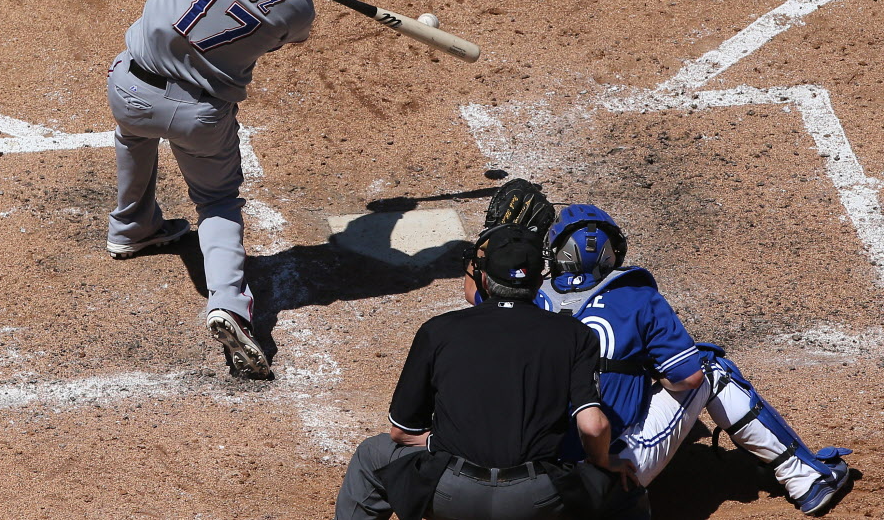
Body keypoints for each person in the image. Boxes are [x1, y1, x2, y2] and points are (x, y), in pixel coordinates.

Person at [463, 202, 853, 516]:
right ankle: (806, 478)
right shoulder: (636, 296)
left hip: (523, 476)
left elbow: (472, 292)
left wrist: (492, 239)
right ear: (614, 253)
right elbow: (686, 380)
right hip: (605, 470)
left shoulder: (525, 295)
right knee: (708, 368)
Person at [105, 0, 333, 379]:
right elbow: (278, 33)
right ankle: (228, 304)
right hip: (200, 117)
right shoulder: (298, 10)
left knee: (133, 136)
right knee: (217, 200)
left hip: (130, 88)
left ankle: (131, 228)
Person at [336, 225, 649, 520]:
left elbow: (401, 433)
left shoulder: (439, 330)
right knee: (626, 491)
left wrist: (447, 444)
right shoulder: (574, 334)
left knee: (371, 455)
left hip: (449, 494)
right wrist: (603, 464)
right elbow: (593, 427)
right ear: (539, 282)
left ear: (483, 280)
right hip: (537, 500)